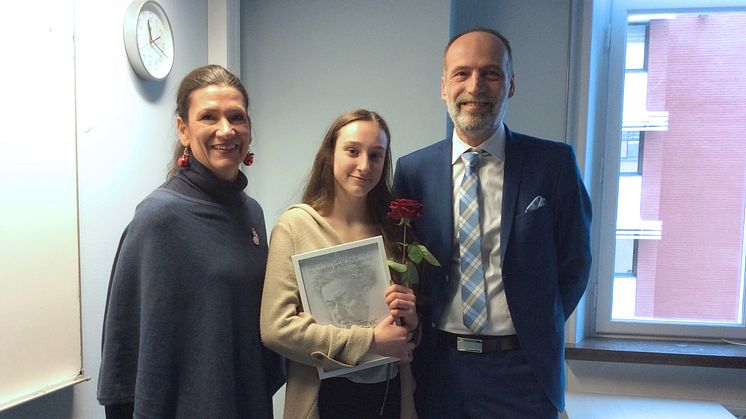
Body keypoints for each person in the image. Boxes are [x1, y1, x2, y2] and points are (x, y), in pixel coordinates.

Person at [393, 28, 592, 418]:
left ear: (511, 85)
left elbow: (575, 264)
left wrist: (537, 321)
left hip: (524, 372)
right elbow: (405, 266)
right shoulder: (413, 171)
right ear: (443, 86)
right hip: (439, 370)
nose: (475, 86)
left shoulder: (553, 164)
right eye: (462, 73)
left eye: (492, 73)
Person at [97, 64, 284, 418]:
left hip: (244, 402)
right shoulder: (158, 218)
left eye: (236, 117)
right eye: (208, 117)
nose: (226, 130)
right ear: (184, 129)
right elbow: (124, 349)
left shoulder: (252, 214)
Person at [261, 109, 420, 419]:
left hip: (389, 395)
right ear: (329, 154)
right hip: (324, 399)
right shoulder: (295, 227)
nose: (364, 165)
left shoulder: (393, 230)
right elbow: (276, 329)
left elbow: (406, 333)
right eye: (352, 151)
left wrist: (411, 320)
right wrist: (370, 341)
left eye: (376, 155)